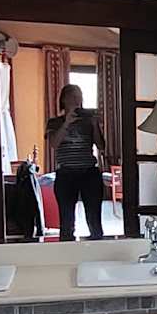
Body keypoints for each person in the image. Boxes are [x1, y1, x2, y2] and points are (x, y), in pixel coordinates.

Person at [45, 85, 105, 241]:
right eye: (73, 96)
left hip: (89, 173)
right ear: (64, 100)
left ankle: (97, 249)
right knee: (66, 221)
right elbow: (54, 144)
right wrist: (66, 123)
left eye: (79, 96)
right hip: (66, 174)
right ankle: (67, 249)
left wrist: (95, 125)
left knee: (94, 219)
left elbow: (101, 146)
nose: (77, 100)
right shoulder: (54, 122)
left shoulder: (88, 122)